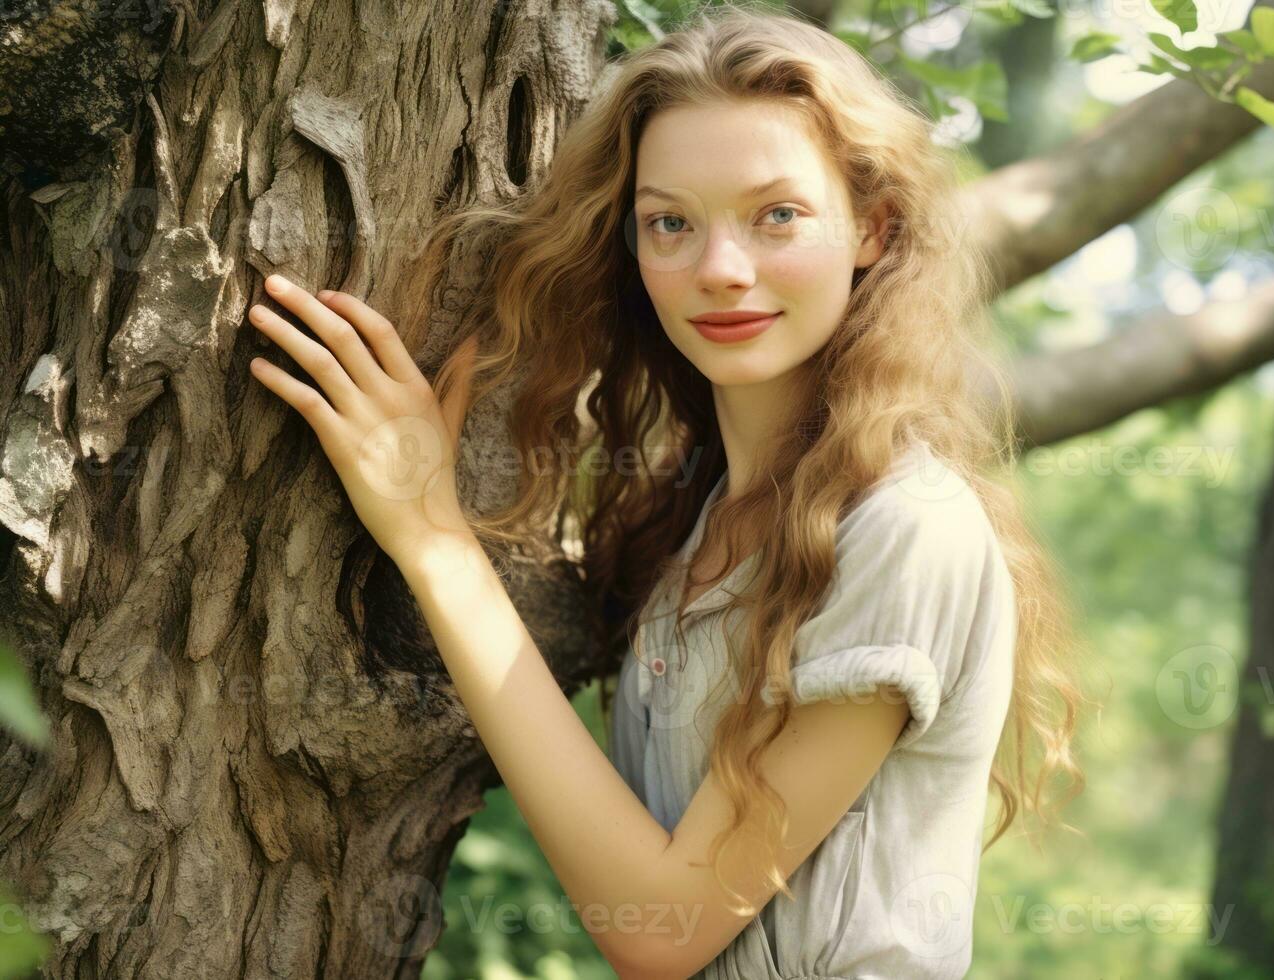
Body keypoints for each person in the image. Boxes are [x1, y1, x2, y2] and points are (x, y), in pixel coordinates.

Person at [245, 2, 1091, 976]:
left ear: (871, 226)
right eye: (669, 223)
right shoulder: (689, 529)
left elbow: (659, 925)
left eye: (776, 214)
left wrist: (433, 537)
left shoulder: (906, 526)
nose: (720, 269)